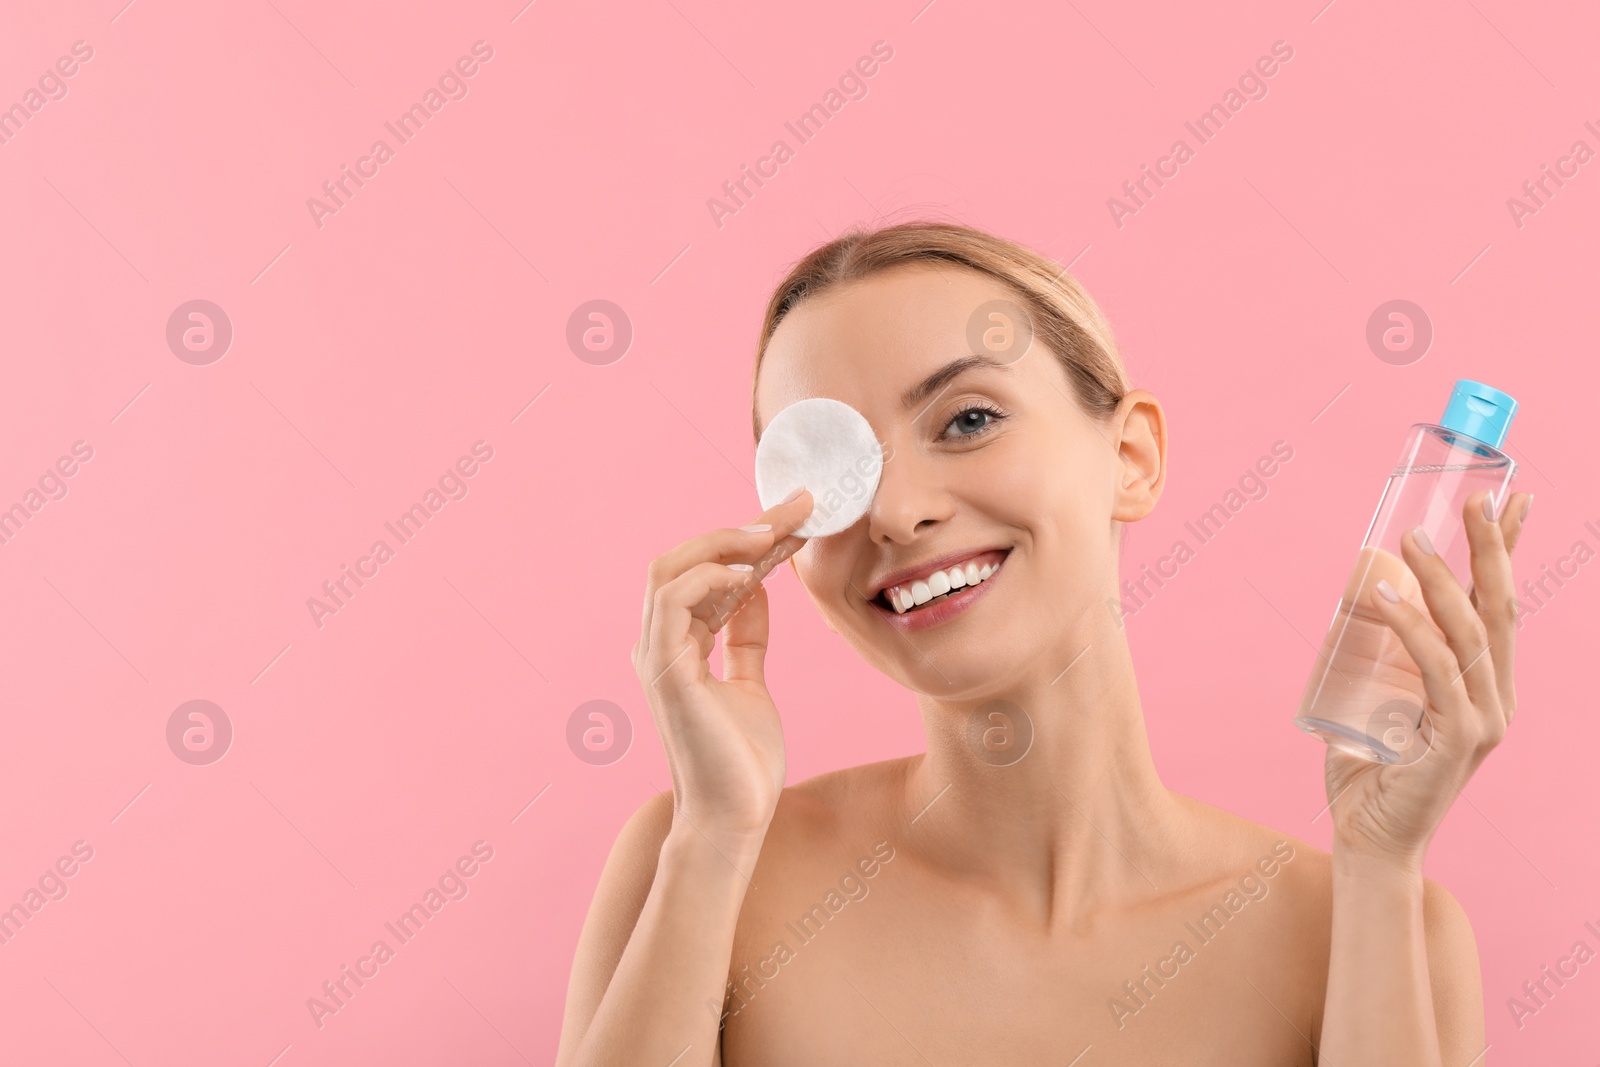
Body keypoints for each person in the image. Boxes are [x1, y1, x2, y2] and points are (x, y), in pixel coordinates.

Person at [555, 221, 1530, 1065]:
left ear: (1131, 456)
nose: (895, 513)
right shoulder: (701, 864)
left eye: (968, 419)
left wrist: (1375, 862)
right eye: (830, 468)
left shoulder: (1373, 920)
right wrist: (714, 837)